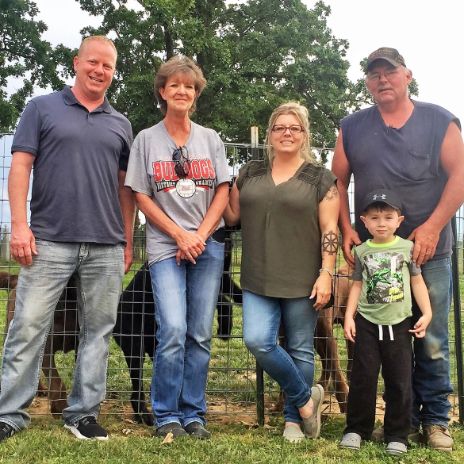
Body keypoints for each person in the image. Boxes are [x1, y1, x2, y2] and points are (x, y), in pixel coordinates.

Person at [0, 36, 135, 442]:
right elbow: (21, 166)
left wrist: (127, 241)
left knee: (97, 332)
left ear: (113, 73)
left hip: (105, 245)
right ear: (77, 63)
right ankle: (9, 413)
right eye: (93, 62)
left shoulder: (121, 123)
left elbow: (125, 189)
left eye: (107, 66)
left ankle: (83, 414)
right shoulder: (41, 108)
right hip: (49, 241)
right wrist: (20, 226)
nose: (99, 70)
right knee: (27, 326)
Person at [332, 47, 464, 452]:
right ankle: (387, 422)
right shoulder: (351, 127)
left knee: (431, 337)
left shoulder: (438, 120)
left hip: (429, 252)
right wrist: (346, 229)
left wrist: (431, 227)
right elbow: (337, 182)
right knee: (375, 342)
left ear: (407, 75)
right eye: (374, 75)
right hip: (372, 256)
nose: (382, 80)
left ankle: (436, 420)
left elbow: (460, 173)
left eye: (389, 72)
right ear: (368, 82)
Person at [124, 55, 230, 440]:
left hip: (207, 246)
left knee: (199, 333)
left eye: (189, 85)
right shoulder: (146, 140)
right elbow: (140, 195)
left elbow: (222, 189)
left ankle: (193, 413)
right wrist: (180, 236)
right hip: (166, 248)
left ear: (195, 93)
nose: (182, 90)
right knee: (172, 328)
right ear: (162, 92)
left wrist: (199, 235)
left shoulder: (210, 139)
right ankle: (167, 414)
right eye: (174, 85)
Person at [224, 102, 339, 443]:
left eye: (295, 128)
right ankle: (306, 401)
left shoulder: (321, 178)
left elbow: (330, 229)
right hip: (258, 276)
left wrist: (327, 273)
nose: (287, 133)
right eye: (280, 128)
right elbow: (231, 217)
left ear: (305, 135)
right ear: (270, 134)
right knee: (257, 340)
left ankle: (293, 421)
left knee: (301, 347)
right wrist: (220, 184)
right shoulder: (250, 172)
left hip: (303, 278)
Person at [339, 190, 432, 456]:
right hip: (367, 322)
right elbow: (357, 285)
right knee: (363, 378)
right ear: (364, 222)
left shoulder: (407, 249)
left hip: (399, 324)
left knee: (399, 380)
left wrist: (426, 313)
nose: (382, 223)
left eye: (388, 217)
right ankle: (356, 429)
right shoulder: (362, 251)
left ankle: (397, 434)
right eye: (375, 217)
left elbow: (417, 282)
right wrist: (349, 316)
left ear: (399, 220)